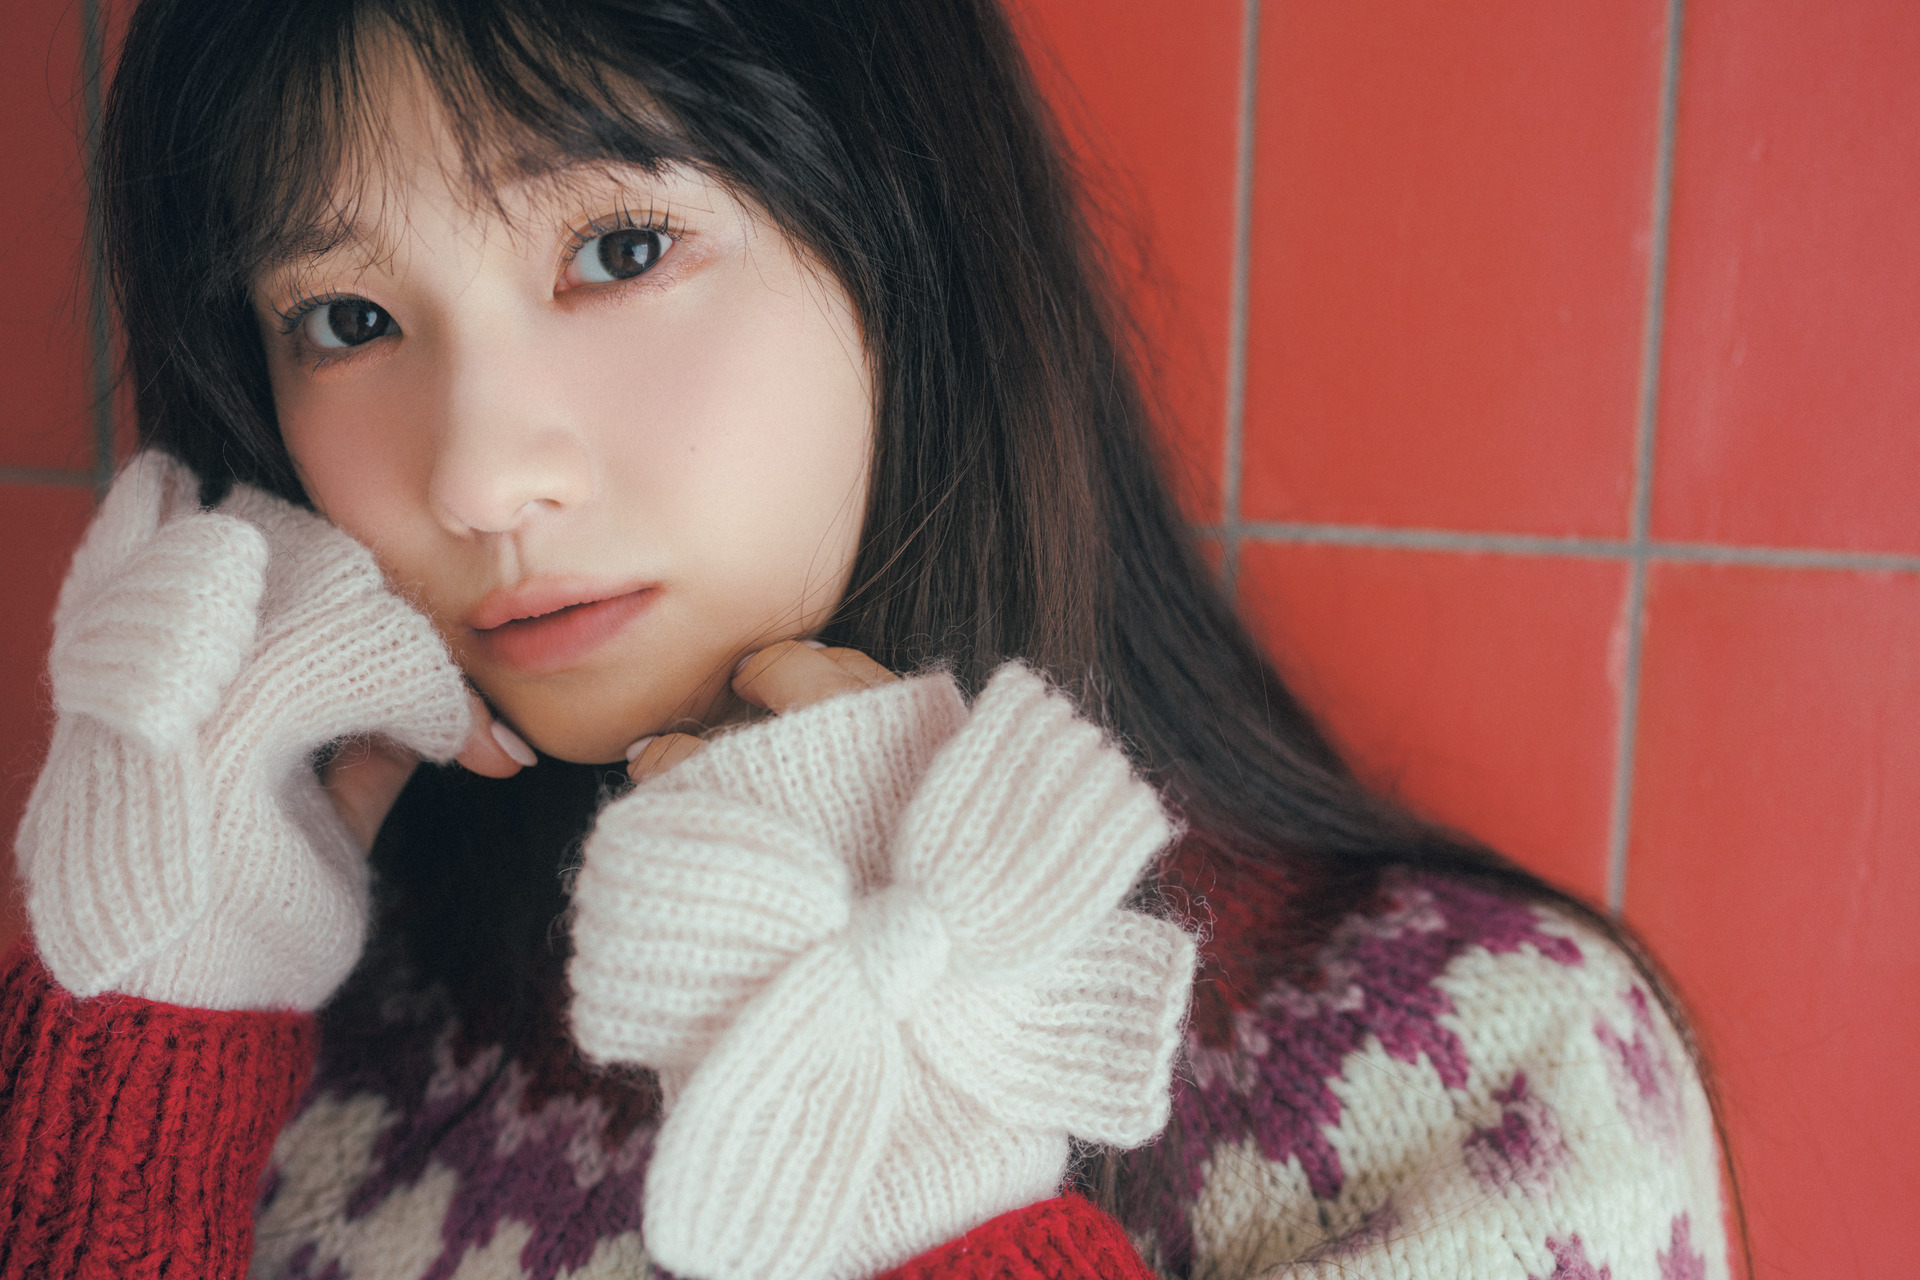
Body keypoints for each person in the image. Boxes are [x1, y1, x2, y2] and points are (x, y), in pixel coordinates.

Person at [0, 0, 1736, 1277]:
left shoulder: (1475, 1078)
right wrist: (148, 1059)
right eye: (345, 316)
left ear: (911, 250)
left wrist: (923, 1200)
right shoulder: (302, 1028)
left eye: (621, 245)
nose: (474, 476)